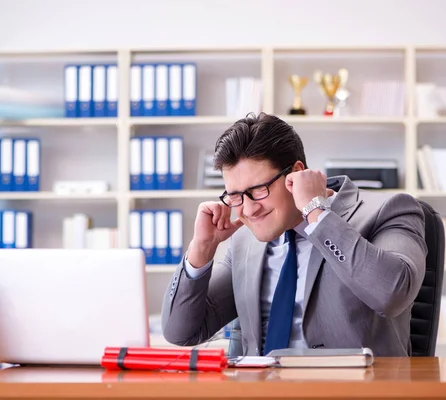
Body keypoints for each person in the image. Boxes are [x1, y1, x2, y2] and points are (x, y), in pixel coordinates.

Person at [161, 112, 427, 357]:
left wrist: (316, 213)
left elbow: (393, 295)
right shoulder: (245, 240)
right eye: (235, 196)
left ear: (296, 174)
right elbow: (181, 332)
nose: (249, 208)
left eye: (259, 189)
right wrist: (201, 249)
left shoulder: (388, 210)